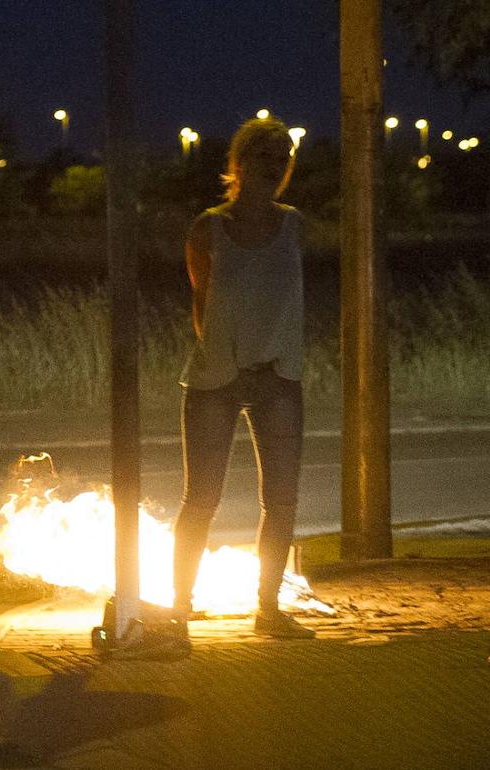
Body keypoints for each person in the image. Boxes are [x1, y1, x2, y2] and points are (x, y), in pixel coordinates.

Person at [172, 117, 315, 639]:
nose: (274, 170)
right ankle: (179, 607)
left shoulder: (295, 224)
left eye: (282, 161)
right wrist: (224, 352)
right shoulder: (208, 227)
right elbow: (201, 303)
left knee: (281, 499)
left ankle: (268, 610)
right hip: (218, 377)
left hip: (279, 376)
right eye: (264, 159)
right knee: (201, 499)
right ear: (239, 164)